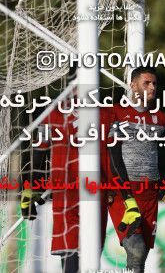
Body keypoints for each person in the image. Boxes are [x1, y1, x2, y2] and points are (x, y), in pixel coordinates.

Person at [106, 66, 165, 273]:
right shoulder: (116, 113)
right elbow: (109, 153)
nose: (152, 87)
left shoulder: (160, 119)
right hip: (123, 191)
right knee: (136, 248)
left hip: (150, 193)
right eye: (147, 83)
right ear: (133, 85)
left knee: (140, 258)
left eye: (155, 83)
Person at [20, 99, 110, 273]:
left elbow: (39, 151)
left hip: (69, 195)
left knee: (74, 258)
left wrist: (30, 188)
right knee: (84, 259)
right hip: (88, 194)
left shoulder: (53, 112)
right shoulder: (105, 111)